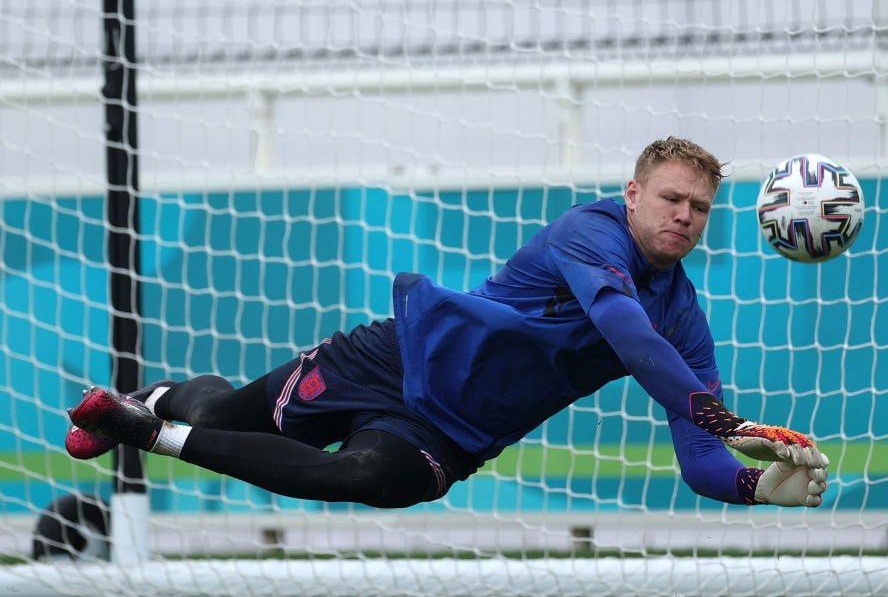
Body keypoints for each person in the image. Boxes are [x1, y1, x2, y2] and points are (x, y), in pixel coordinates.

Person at [67, 136, 828, 509]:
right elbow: (627, 334)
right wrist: (725, 416)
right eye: (672, 199)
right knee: (225, 412)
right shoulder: (587, 233)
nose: (686, 217)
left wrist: (758, 485)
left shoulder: (686, 319)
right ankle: (167, 400)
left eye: (699, 208)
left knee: (364, 478)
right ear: (632, 194)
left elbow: (697, 461)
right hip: (392, 358)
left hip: (448, 435)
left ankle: (147, 431)